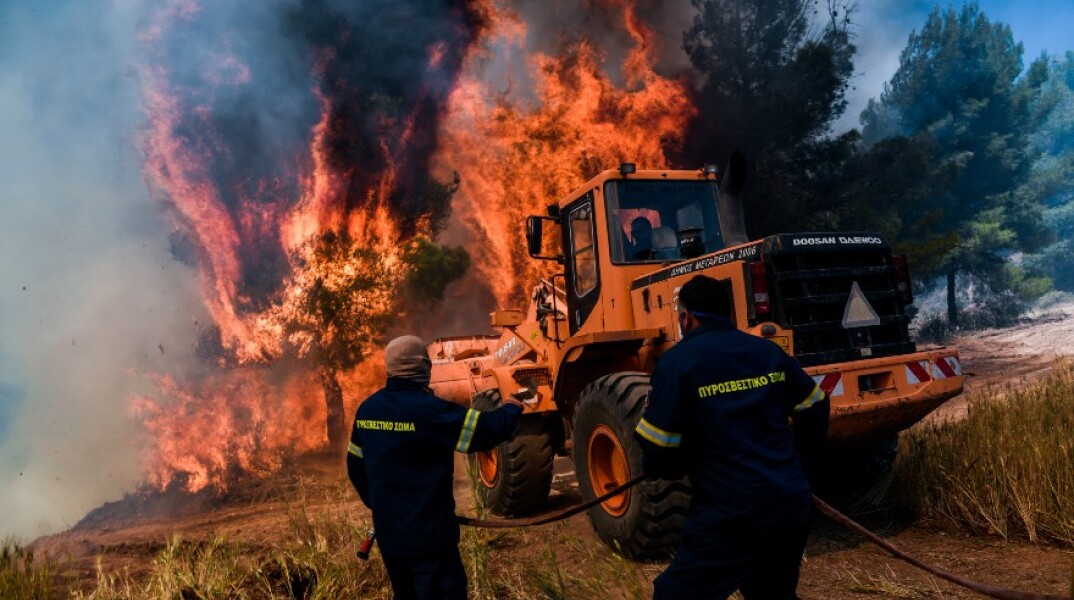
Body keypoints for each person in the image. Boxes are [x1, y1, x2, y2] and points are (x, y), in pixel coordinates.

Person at [635, 275, 829, 600]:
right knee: (772, 593)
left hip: (731, 514)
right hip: (789, 505)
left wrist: (669, 465)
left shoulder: (678, 363)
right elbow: (816, 405)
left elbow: (659, 447)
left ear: (686, 317)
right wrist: (800, 467)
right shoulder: (766, 351)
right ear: (728, 313)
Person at [347, 335, 523, 600]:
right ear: (424, 368)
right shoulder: (429, 411)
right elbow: (484, 432)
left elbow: (355, 468)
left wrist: (383, 506)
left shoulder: (368, 411)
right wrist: (512, 407)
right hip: (429, 538)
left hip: (390, 535)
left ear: (390, 368)